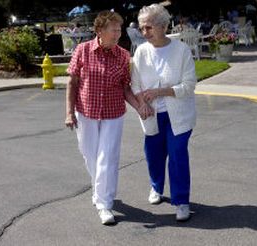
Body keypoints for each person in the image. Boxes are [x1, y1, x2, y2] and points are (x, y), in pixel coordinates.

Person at [65, 10, 147, 225]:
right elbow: (72, 83)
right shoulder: (82, 51)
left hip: (113, 114)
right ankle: (100, 190)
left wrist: (139, 106)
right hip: (86, 112)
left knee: (107, 159)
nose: (118, 33)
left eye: (119, 29)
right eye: (113, 29)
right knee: (89, 155)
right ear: (99, 31)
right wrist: (68, 113)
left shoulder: (122, 55)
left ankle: (104, 204)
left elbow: (125, 88)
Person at [131, 3, 197, 222]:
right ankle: (156, 187)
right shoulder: (141, 51)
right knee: (154, 155)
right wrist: (142, 103)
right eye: (141, 28)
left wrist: (163, 91)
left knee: (178, 155)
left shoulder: (181, 50)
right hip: (151, 114)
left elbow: (189, 85)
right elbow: (135, 84)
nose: (144, 33)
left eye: (148, 27)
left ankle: (181, 201)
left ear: (162, 26)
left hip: (178, 115)